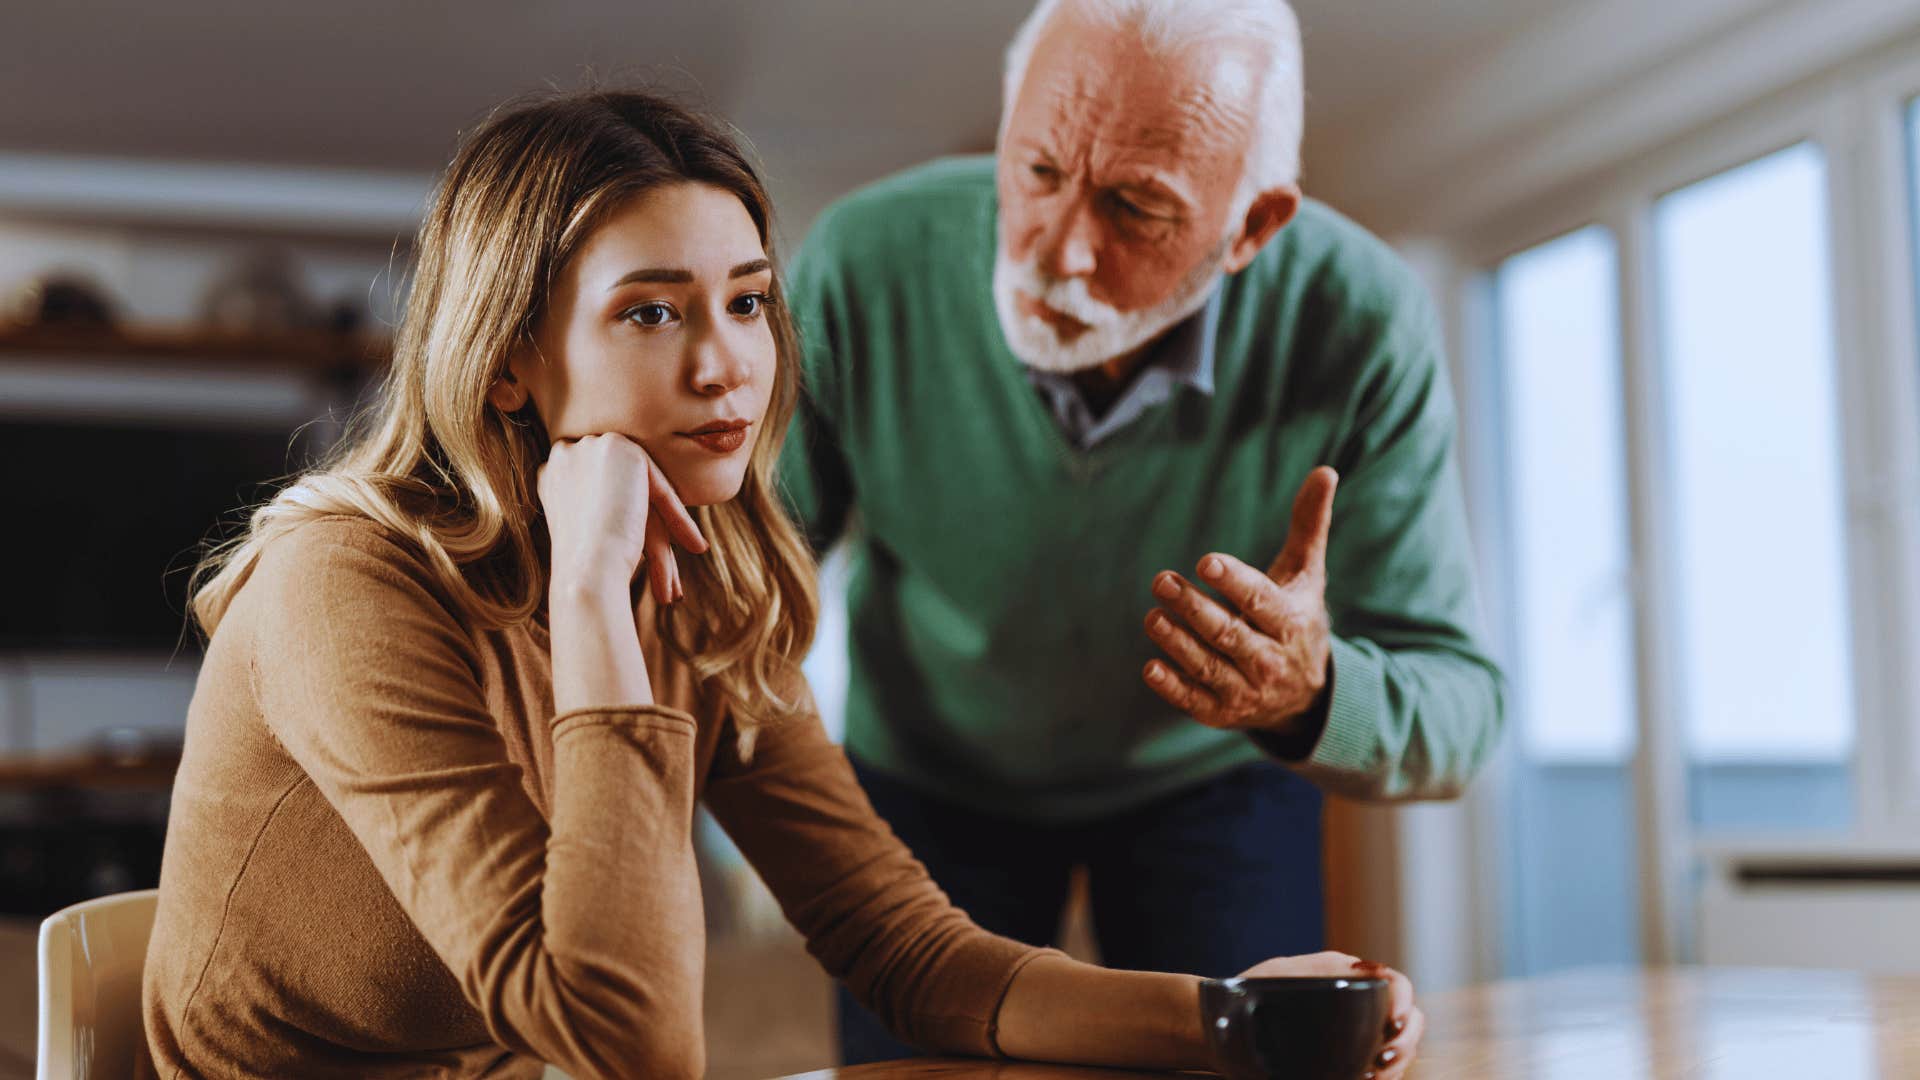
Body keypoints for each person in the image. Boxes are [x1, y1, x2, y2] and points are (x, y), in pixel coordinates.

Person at [136, 90, 1423, 1080]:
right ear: (511, 360)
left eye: (747, 303)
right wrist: (592, 611)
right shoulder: (344, 580)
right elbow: (625, 1044)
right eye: (652, 313)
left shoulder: (705, 585)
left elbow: (908, 951)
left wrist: (1234, 1018)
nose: (726, 367)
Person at [778, 0, 1505, 1062]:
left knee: (1256, 1060)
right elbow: (742, 588)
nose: (1061, 250)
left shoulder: (1362, 320)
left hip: (1206, 784)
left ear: (1253, 226)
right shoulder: (861, 261)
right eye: (1034, 172)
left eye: (1136, 206)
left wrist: (1314, 694)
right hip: (926, 773)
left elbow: (1464, 710)